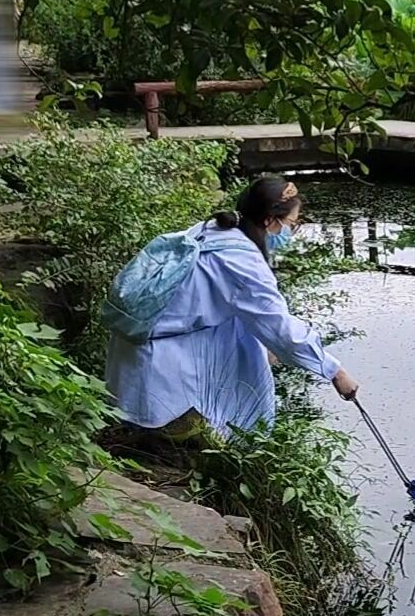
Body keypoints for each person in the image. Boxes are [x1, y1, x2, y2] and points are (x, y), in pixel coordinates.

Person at [104, 176, 359, 439]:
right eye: (292, 224)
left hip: (138, 345)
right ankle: (217, 436)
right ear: (270, 221)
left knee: (248, 335)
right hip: (163, 362)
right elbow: (281, 328)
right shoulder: (242, 262)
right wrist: (335, 372)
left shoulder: (212, 229)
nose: (291, 233)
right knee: (178, 435)